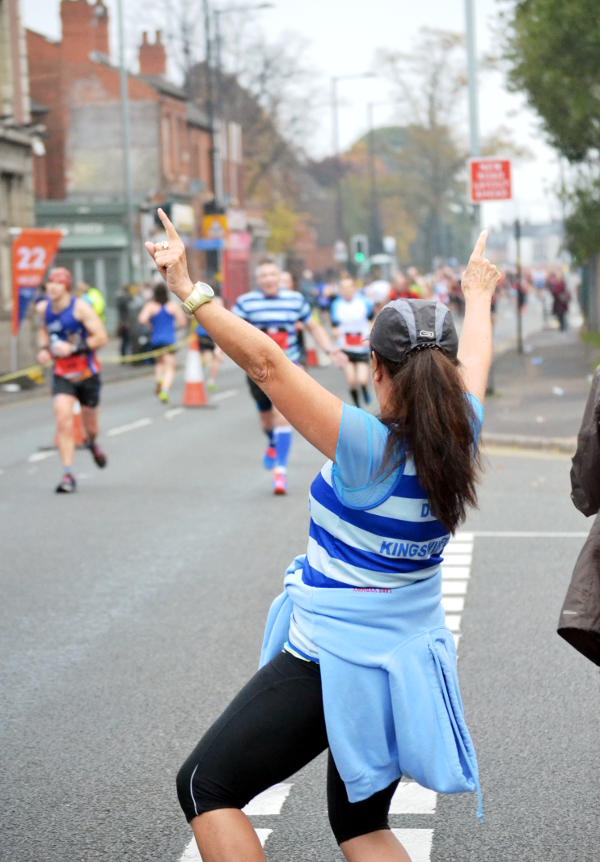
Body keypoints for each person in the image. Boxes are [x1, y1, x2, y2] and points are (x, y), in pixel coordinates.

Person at [145, 210, 500, 862]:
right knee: (360, 827)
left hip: (334, 659)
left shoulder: (367, 445)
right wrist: (477, 296)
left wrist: (189, 289)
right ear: (446, 373)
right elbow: (475, 360)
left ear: (378, 368)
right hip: (402, 664)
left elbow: (267, 364)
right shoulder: (463, 432)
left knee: (205, 785)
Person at [230, 256, 345, 495]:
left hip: (288, 366)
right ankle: (272, 441)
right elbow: (231, 329)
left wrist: (330, 349)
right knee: (266, 419)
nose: (269, 279)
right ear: (258, 279)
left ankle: (280, 472)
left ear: (279, 277)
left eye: (273, 275)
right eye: (264, 276)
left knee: (282, 416)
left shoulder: (295, 301)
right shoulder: (246, 303)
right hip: (256, 371)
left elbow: (313, 326)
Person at [36, 267, 108, 494]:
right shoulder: (43, 308)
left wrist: (73, 347)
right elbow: (43, 331)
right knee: (63, 420)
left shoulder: (80, 308)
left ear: (66, 286)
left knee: (91, 427)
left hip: (87, 374)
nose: (53, 287)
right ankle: (68, 474)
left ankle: (92, 443)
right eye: (50, 283)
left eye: (58, 283)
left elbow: (101, 338)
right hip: (62, 374)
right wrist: (45, 349)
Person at [329, 275, 374, 407]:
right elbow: (334, 326)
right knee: (352, 381)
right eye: (343, 288)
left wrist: (369, 335)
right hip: (346, 347)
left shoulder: (364, 302)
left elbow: (372, 320)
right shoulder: (336, 305)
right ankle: (357, 406)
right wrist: (336, 334)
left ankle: (365, 389)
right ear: (340, 290)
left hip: (361, 346)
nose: (347, 290)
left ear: (354, 288)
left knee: (362, 380)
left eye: (349, 287)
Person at [138, 283, 187, 403]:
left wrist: (151, 325)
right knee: (170, 367)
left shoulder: (151, 306)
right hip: (169, 340)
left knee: (159, 363)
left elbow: (142, 319)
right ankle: (164, 390)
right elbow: (183, 322)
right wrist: (174, 327)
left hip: (156, 340)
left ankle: (159, 380)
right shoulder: (172, 306)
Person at [195, 295, 225, 392]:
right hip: (213, 334)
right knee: (216, 359)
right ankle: (211, 380)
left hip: (201, 334)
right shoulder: (219, 308)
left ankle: (205, 361)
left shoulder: (204, 304)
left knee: (204, 352)